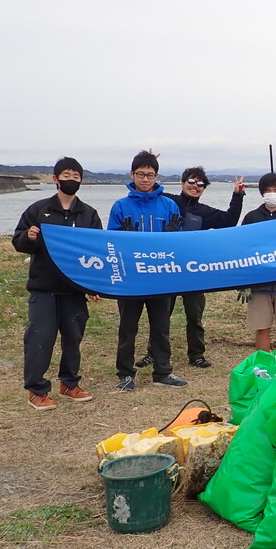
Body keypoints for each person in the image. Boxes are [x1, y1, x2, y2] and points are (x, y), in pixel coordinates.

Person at [12, 157, 103, 410]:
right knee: (40, 338)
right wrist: (28, 237)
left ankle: (69, 384)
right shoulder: (38, 210)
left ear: (81, 180)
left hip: (74, 290)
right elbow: (17, 241)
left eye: (76, 176)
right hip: (44, 288)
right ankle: (37, 390)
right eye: (66, 175)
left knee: (73, 338)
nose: (70, 180)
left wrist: (95, 286)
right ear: (55, 179)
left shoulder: (89, 214)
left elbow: (96, 252)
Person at [144, 166, 245, 369]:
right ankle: (153, 353)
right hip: (167, 268)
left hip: (193, 271)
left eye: (200, 184)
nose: (195, 186)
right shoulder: (168, 200)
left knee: (194, 315)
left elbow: (229, 221)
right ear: (182, 183)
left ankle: (197, 354)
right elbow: (149, 191)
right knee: (161, 315)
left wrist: (238, 195)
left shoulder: (205, 212)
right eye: (191, 181)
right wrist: (150, 166)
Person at [107, 150, 187, 391]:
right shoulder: (120, 206)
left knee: (161, 327)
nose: (145, 179)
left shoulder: (169, 205)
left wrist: (175, 236)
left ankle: (163, 371)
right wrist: (124, 238)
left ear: (156, 176)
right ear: (132, 174)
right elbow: (110, 243)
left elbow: (181, 243)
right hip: (131, 279)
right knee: (127, 327)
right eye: (140, 174)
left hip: (161, 278)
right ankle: (125, 373)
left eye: (150, 175)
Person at [239, 172, 276, 352]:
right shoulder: (251, 217)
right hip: (259, 284)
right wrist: (244, 280)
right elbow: (243, 247)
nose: (272, 194)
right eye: (267, 190)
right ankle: (264, 366)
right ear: (261, 193)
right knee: (261, 327)